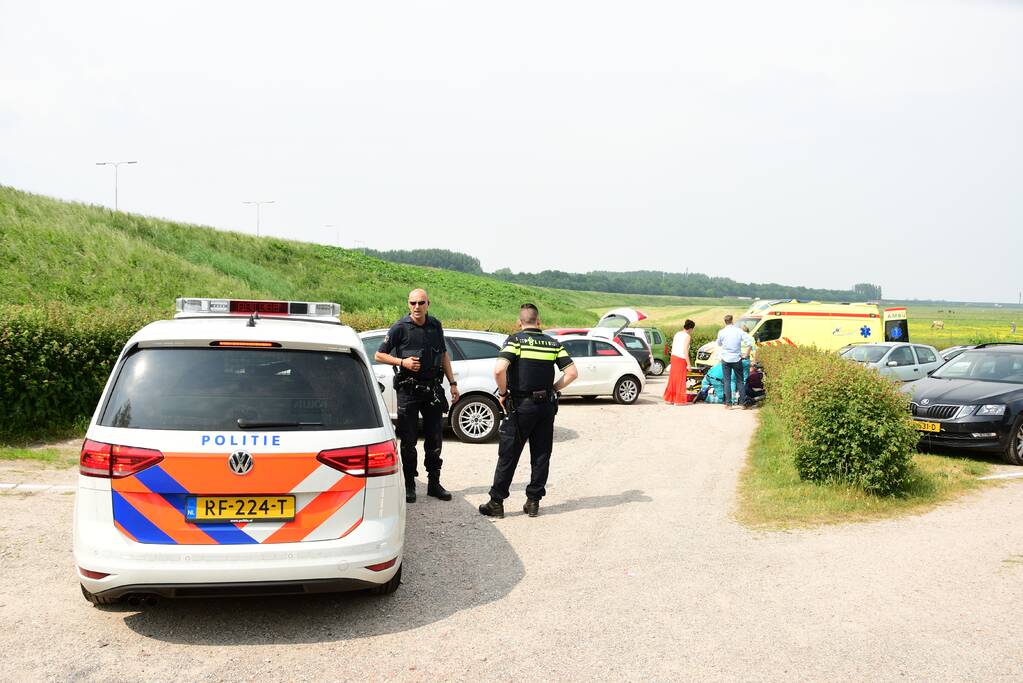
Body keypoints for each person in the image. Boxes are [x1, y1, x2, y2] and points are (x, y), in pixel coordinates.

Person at [479, 303, 578, 519]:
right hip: (546, 407)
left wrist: (503, 393)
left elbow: (499, 369)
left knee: (509, 454)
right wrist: (553, 388)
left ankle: (496, 502)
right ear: (539, 321)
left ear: (519, 322)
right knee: (541, 454)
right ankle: (533, 502)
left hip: (521, 406)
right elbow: (571, 372)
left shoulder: (515, 340)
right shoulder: (553, 344)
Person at [376, 288, 460, 503]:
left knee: (434, 439)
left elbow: (443, 355)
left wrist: (452, 383)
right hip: (408, 391)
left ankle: (434, 484)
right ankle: (409, 486)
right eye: (413, 303)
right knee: (408, 442)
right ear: (408, 304)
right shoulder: (399, 327)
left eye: (421, 303)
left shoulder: (435, 326)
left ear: (428, 304)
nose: (417, 307)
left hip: (432, 389)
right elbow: (379, 354)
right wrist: (402, 362)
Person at [715, 314, 753, 409]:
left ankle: (729, 404)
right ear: (732, 321)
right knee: (740, 381)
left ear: (725, 321)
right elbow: (749, 343)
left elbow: (718, 343)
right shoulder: (739, 331)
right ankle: (743, 403)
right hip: (737, 358)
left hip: (726, 359)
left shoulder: (721, 332)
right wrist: (746, 354)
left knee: (727, 381)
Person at [663, 319, 695, 405]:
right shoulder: (687, 336)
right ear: (691, 328)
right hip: (681, 359)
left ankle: (670, 399)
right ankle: (678, 400)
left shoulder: (677, 334)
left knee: (673, 379)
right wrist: (688, 364)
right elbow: (685, 350)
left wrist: (671, 359)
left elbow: (673, 347)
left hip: (674, 357)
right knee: (680, 379)